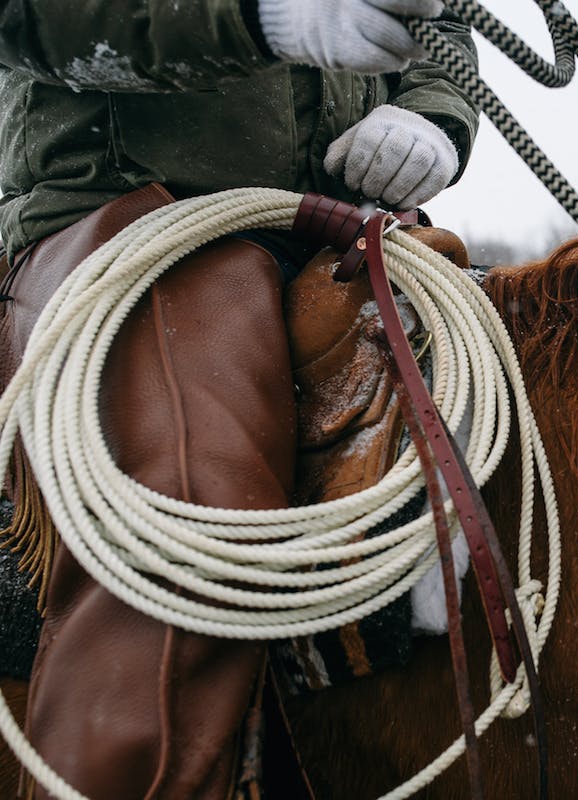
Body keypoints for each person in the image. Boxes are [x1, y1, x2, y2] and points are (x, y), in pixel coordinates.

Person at [0, 1, 479, 797]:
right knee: (192, 526)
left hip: (350, 231)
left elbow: (443, 15)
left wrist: (431, 113)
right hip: (131, 217)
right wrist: (257, 20)